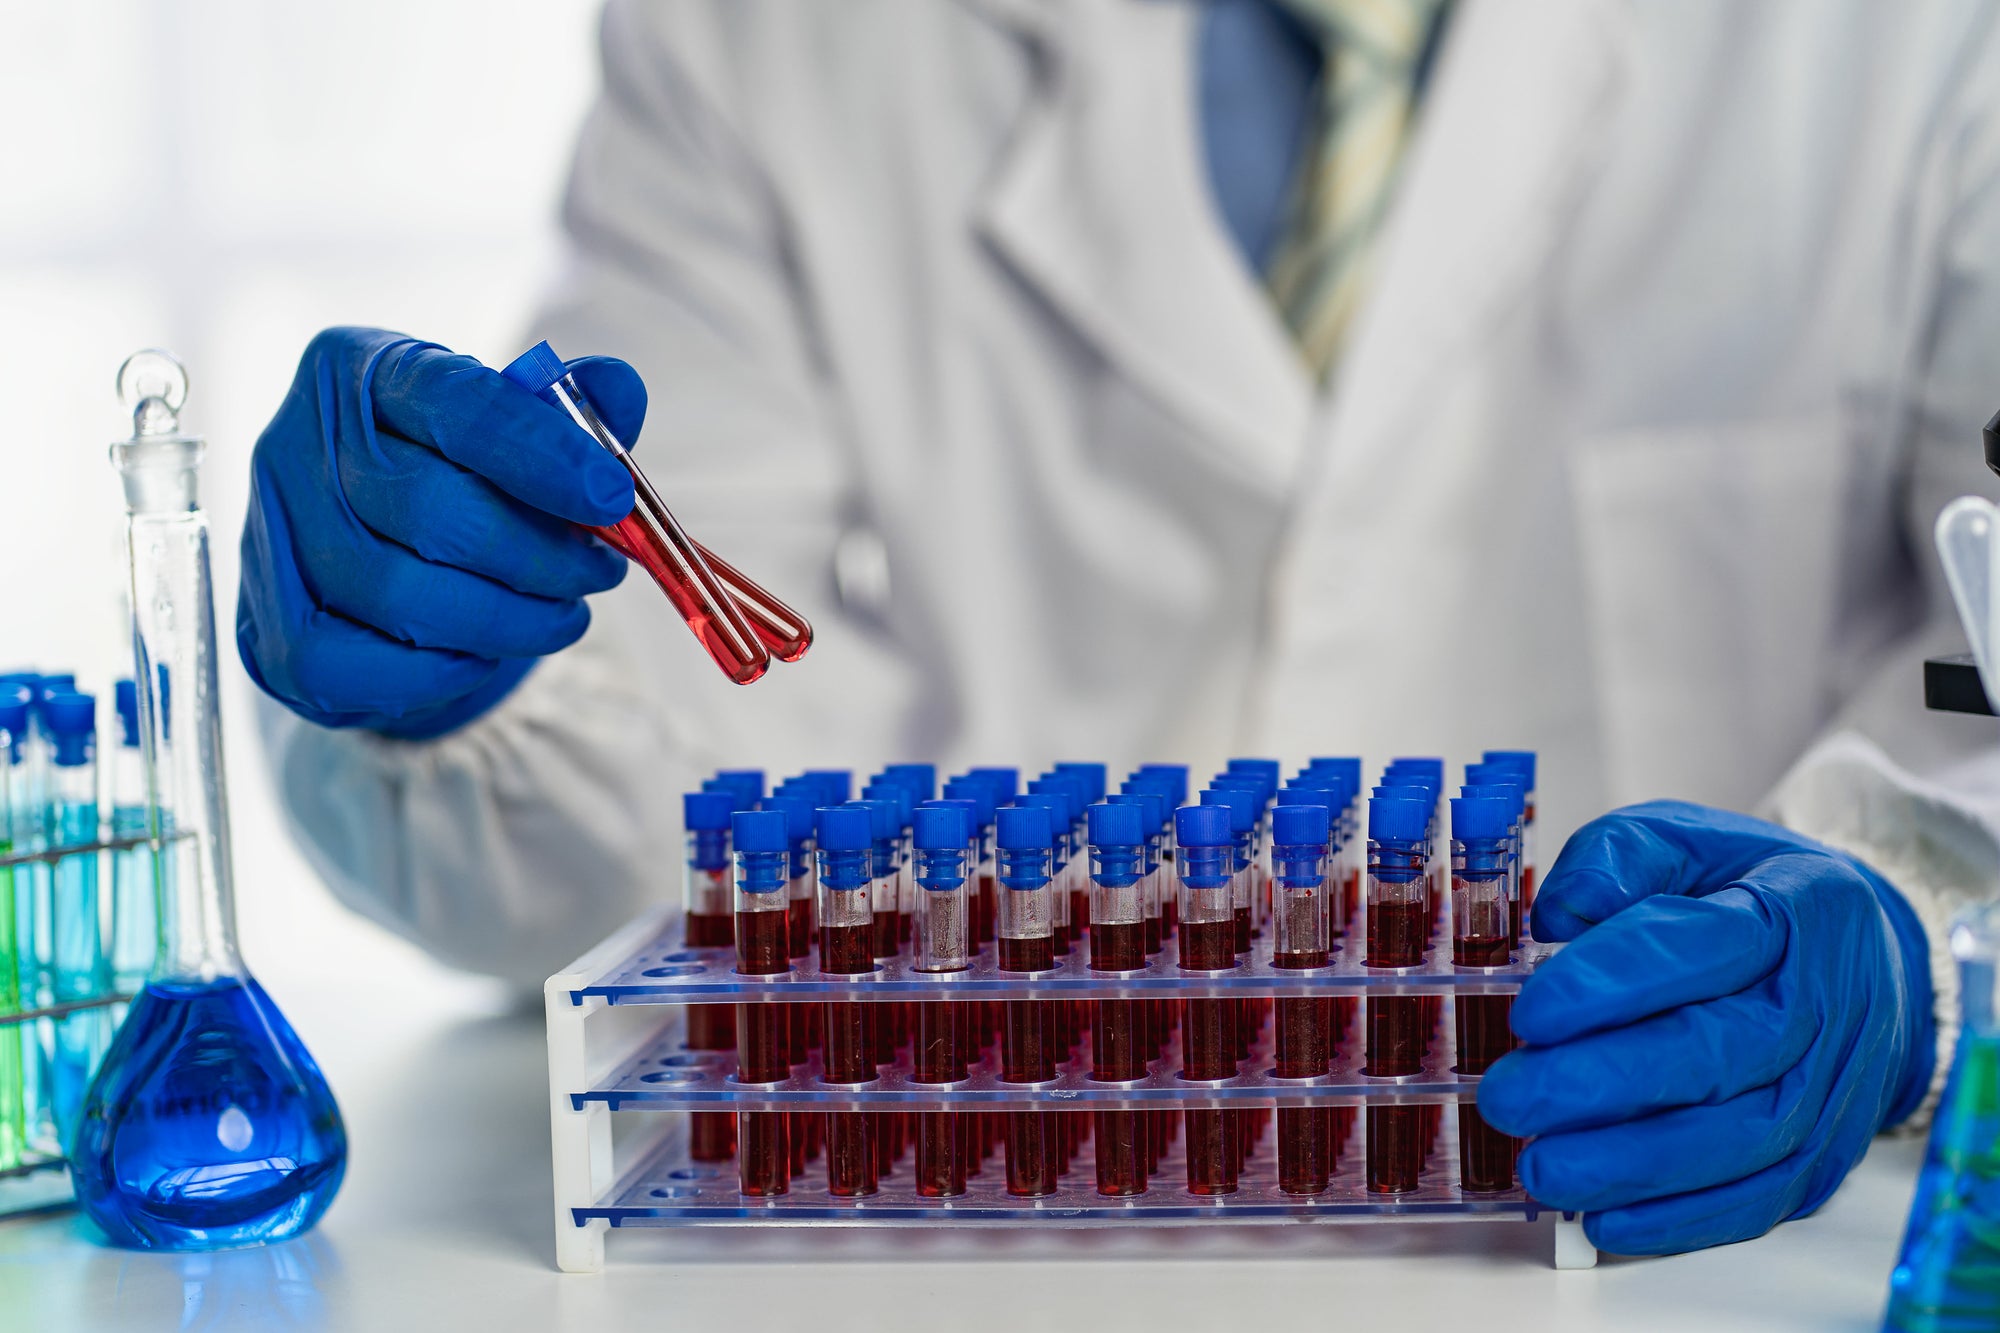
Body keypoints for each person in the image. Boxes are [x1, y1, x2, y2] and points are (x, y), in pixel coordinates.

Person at [237, 0, 2000, 1255]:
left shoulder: (1921, 42)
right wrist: (453, 675)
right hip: (965, 1214)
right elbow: (646, 776)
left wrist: (1922, 963)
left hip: (1687, 1241)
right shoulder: (762, 35)